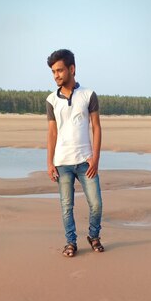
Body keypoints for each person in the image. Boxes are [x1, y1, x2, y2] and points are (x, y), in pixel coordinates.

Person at [46, 49, 105, 257]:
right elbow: (52, 132)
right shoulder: (52, 99)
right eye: (53, 72)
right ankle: (71, 242)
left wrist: (96, 158)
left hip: (86, 162)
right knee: (66, 207)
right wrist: (50, 163)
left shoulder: (88, 95)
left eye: (60, 70)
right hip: (62, 163)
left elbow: (96, 127)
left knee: (96, 204)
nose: (56, 76)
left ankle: (93, 235)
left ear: (72, 69)